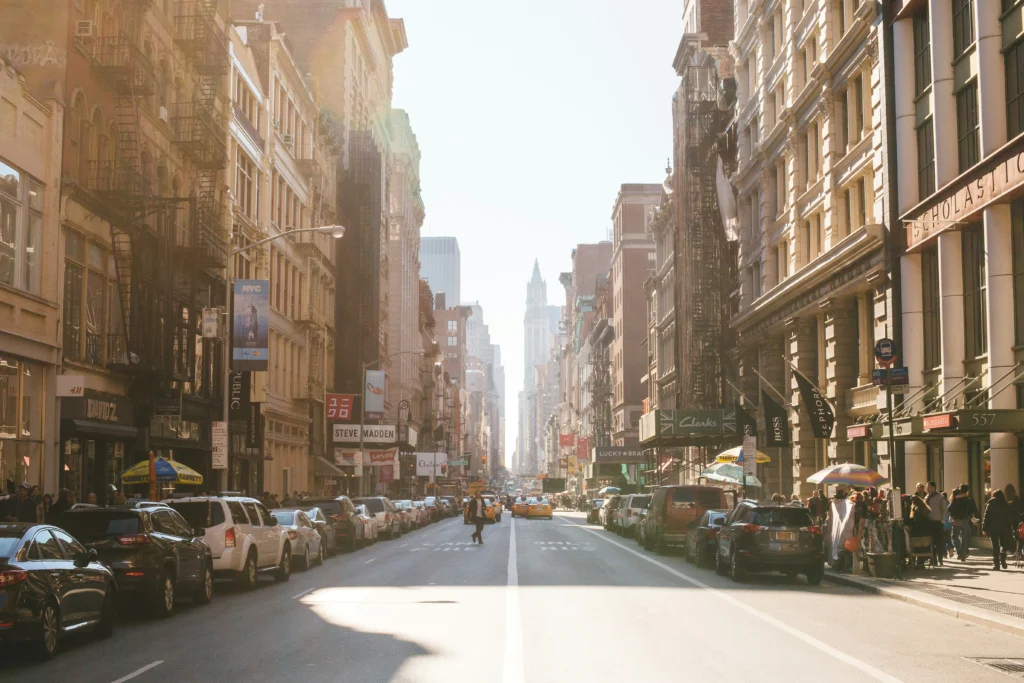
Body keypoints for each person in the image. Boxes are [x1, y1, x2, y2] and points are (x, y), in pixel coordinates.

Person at [983, 489, 1015, 570]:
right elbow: (1010, 516)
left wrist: (984, 528)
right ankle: (1003, 560)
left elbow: (986, 517)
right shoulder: (1006, 504)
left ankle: (997, 564)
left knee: (995, 546)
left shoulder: (990, 504)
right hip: (1004, 528)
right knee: (1004, 545)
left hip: (993, 528)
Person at [949, 484, 979, 561]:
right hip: (965, 519)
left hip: (956, 520)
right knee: (965, 538)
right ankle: (963, 554)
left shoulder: (955, 497)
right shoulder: (969, 499)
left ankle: (959, 552)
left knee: (955, 537)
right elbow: (973, 509)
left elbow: (949, 508)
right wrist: (974, 517)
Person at [925, 481, 947, 566]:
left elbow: (944, 509)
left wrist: (943, 520)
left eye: (928, 487)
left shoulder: (940, 497)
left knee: (939, 541)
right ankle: (933, 559)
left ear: (933, 487)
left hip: (937, 522)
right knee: (931, 541)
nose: (927, 489)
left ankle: (940, 559)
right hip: (929, 522)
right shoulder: (927, 497)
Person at [1005, 484, 1024, 558]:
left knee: (1017, 536)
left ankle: (1018, 551)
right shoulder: (1017, 500)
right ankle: (1018, 551)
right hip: (1017, 520)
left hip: (1015, 521)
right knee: (1018, 536)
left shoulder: (1012, 502)